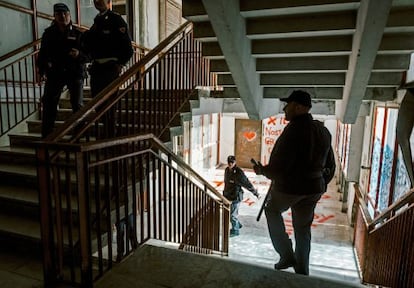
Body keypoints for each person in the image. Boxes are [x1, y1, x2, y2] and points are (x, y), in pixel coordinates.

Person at [253, 90, 335, 275]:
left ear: (299, 107)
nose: (284, 109)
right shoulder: (323, 130)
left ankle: (286, 254)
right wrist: (320, 185)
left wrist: (261, 170)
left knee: (272, 210)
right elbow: (331, 164)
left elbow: (277, 167)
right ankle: (302, 271)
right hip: (314, 189)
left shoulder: (292, 131)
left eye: (288, 105)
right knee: (303, 229)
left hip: (290, 188)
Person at [38, 3, 87, 138]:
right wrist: (41, 71)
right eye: (59, 14)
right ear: (54, 16)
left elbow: (88, 55)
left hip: (74, 72)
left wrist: (79, 55)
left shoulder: (78, 33)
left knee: (77, 105)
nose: (62, 16)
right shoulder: (48, 34)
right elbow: (42, 54)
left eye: (65, 13)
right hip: (55, 73)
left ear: (69, 15)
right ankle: (47, 136)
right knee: (49, 103)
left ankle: (79, 135)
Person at [82, 0, 133, 98]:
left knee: (109, 103)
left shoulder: (116, 19)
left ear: (108, 1)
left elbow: (128, 48)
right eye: (95, 0)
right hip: (96, 68)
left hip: (110, 68)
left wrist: (121, 63)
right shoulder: (97, 21)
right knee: (97, 103)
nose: (97, 1)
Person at [223, 155, 260, 237]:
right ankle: (237, 225)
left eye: (232, 162)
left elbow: (247, 184)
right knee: (229, 214)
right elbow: (226, 183)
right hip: (227, 195)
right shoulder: (226, 170)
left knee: (233, 215)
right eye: (229, 162)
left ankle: (235, 230)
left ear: (235, 162)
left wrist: (255, 193)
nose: (230, 164)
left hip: (236, 196)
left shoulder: (239, 173)